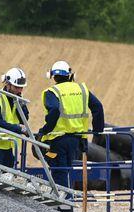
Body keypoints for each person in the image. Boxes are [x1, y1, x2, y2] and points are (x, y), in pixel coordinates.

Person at [36, 61, 104, 192]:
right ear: (69, 75)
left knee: (59, 173)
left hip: (58, 141)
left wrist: (44, 130)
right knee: (66, 171)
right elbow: (98, 107)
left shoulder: (52, 92)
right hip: (77, 141)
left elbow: (55, 110)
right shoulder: (81, 89)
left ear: (53, 77)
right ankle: (66, 206)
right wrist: (97, 131)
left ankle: (63, 207)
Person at [0, 67, 30, 168]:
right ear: (8, 84)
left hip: (9, 147)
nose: (20, 90)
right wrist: (18, 128)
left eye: (21, 87)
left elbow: (24, 119)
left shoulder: (17, 100)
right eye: (17, 87)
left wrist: (21, 105)